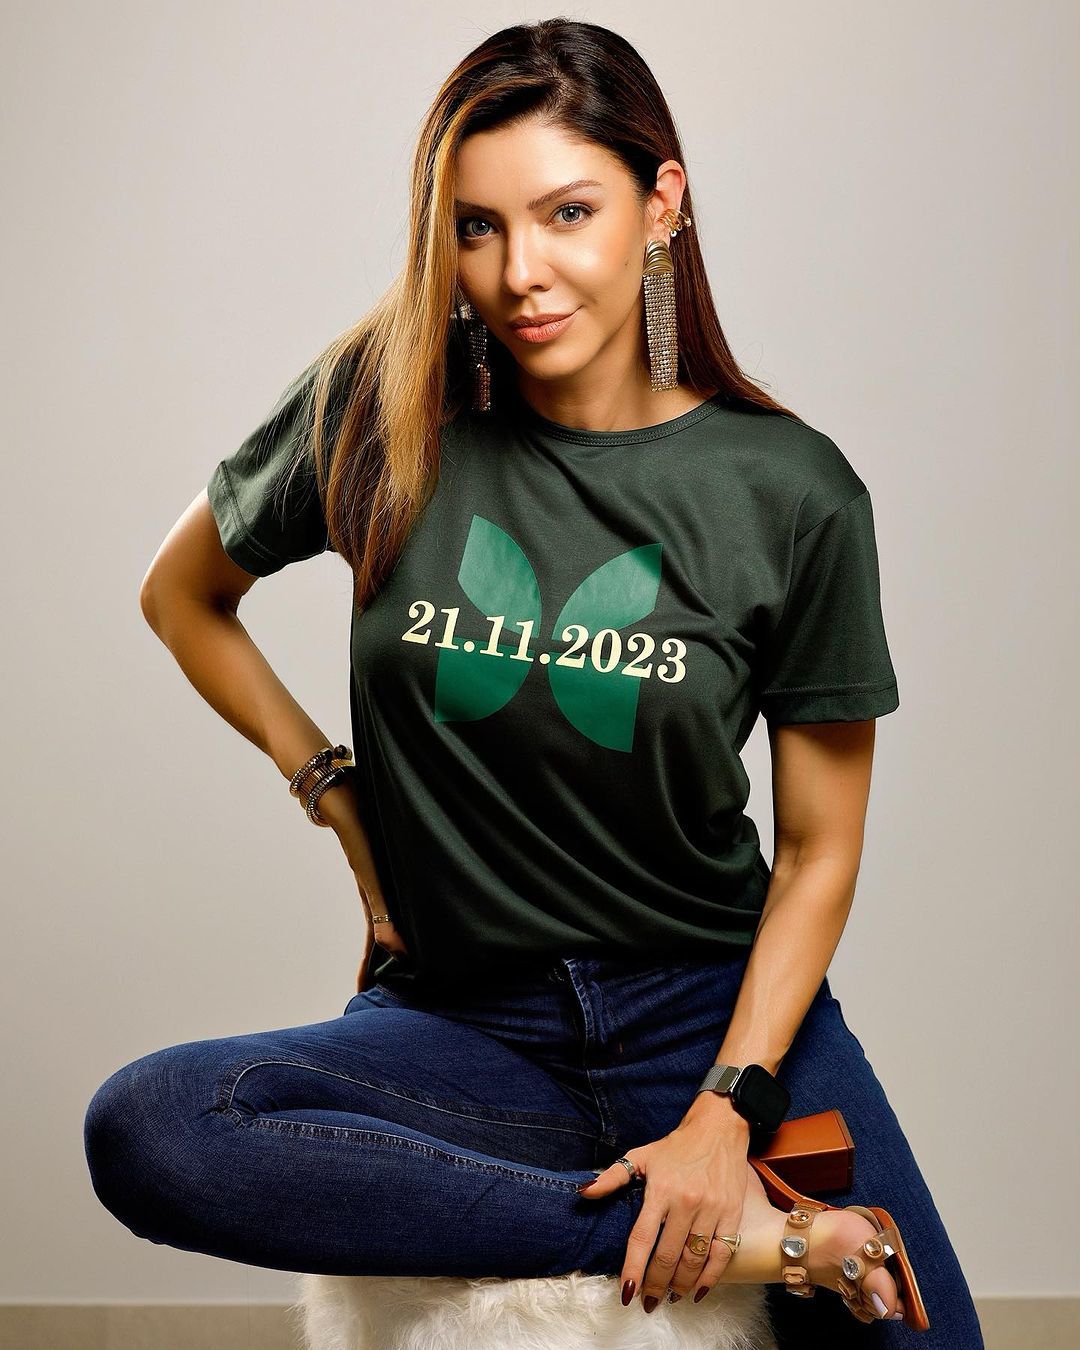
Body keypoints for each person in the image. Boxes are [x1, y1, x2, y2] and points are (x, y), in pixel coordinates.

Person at [82, 18, 984, 1345]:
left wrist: (727, 1108)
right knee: (155, 1126)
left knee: (929, 1336)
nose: (520, 274)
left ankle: (717, 1197)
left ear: (661, 204)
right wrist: (335, 793)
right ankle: (739, 1242)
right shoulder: (376, 410)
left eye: (568, 213)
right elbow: (182, 594)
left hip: (709, 1010)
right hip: (463, 1022)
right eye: (477, 228)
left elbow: (817, 852)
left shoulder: (792, 492)